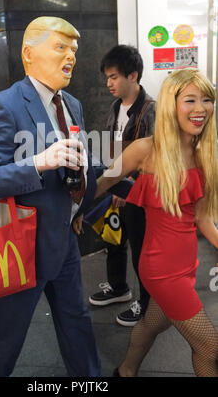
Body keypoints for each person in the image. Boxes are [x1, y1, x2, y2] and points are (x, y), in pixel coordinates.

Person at [0, 16, 101, 377]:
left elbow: (76, 163)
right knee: (7, 340)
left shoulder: (72, 103)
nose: (71, 57)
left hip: (65, 243)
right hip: (19, 250)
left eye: (74, 49)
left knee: (78, 326)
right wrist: (38, 163)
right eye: (60, 47)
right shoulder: (2, 105)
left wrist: (82, 195)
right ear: (29, 54)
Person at [96, 68, 218, 377]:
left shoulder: (203, 151)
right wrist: (78, 212)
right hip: (161, 269)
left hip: (187, 264)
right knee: (210, 348)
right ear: (170, 104)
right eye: (190, 100)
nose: (201, 108)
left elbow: (202, 217)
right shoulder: (145, 150)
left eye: (207, 99)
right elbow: (100, 184)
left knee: (152, 324)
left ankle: (125, 371)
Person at [88, 45, 155, 327]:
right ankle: (118, 288)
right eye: (107, 77)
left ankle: (147, 305)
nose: (109, 83)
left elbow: (149, 159)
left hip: (138, 193)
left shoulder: (150, 110)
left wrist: (126, 188)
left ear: (133, 75)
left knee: (141, 250)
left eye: (114, 77)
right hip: (115, 184)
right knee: (113, 239)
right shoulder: (116, 107)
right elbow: (111, 147)